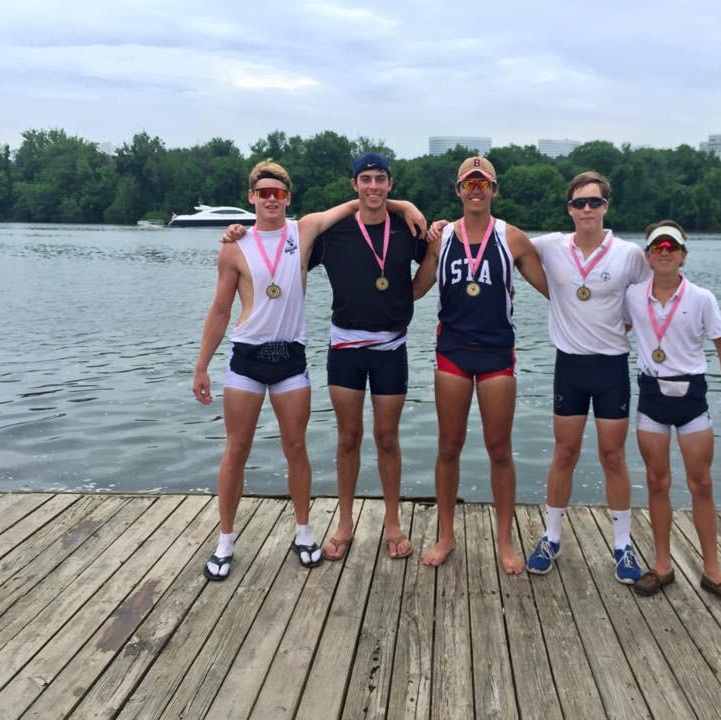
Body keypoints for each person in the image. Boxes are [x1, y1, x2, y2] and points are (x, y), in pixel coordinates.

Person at [222, 152, 428, 562]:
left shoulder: (408, 226)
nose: (373, 186)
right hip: (345, 348)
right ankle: (345, 523)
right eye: (365, 179)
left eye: (380, 179)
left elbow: (434, 265)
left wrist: (413, 219)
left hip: (391, 348)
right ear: (354, 185)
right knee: (348, 438)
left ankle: (392, 523)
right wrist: (240, 234)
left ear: (390, 184)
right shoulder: (333, 232)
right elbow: (281, 253)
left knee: (388, 439)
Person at [192, 159, 393, 580]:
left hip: (290, 359)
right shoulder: (234, 246)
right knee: (236, 450)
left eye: (278, 194)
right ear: (251, 197)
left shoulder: (304, 230)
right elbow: (220, 309)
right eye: (263, 192)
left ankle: (303, 533)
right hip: (246, 357)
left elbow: (364, 202)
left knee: (296, 448)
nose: (270, 199)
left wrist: (408, 210)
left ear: (288, 198)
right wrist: (201, 366)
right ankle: (225, 540)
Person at [414, 156, 549, 575]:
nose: (476, 190)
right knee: (449, 447)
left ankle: (505, 540)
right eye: (468, 184)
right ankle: (446, 535)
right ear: (458, 191)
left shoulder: (513, 238)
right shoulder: (443, 238)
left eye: (483, 183)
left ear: (493, 190)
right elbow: (414, 292)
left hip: (496, 353)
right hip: (452, 350)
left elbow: (556, 291)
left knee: (499, 450)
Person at [524, 171, 651, 583]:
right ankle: (552, 536)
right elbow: (503, 241)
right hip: (570, 366)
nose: (586, 210)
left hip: (611, 365)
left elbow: (650, 294)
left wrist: (632, 321)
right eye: (579, 203)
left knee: (613, 457)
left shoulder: (629, 254)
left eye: (594, 202)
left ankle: (622, 545)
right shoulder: (551, 246)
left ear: (606, 207)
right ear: (569, 209)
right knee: (564, 454)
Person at [625, 220, 721, 607]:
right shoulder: (632, 295)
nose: (665, 252)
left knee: (702, 484)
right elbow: (605, 325)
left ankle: (713, 571)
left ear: (683, 255)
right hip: (652, 394)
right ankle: (662, 566)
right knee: (657, 482)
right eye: (658, 246)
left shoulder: (701, 298)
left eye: (672, 247)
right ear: (647, 255)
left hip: (692, 397)